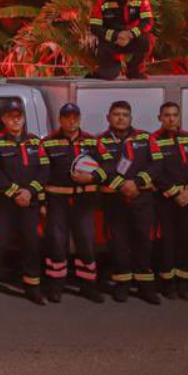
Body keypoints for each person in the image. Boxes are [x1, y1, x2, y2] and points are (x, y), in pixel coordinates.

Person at [0, 100, 49, 306]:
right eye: (10, 116)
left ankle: (32, 287)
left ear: (24, 118)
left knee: (31, 243)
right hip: (4, 204)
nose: (15, 119)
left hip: (29, 203)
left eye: (18, 115)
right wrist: (15, 193)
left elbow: (44, 171)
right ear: (3, 119)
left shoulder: (35, 142)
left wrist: (29, 192)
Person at [98, 100, 163, 304]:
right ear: (108, 117)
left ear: (130, 118)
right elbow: (103, 167)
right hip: (114, 200)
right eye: (116, 114)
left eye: (125, 114)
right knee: (118, 243)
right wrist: (122, 185)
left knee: (144, 241)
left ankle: (145, 286)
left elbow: (157, 163)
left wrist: (137, 183)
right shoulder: (99, 141)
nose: (120, 118)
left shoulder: (146, 137)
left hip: (141, 199)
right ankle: (122, 283)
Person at [41, 103, 106, 304]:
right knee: (57, 244)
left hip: (83, 202)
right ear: (60, 119)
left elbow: (108, 166)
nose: (72, 121)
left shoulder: (92, 142)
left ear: (79, 118)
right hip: (57, 202)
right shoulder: (48, 142)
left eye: (75, 117)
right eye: (67, 117)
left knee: (86, 243)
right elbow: (40, 174)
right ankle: (56, 285)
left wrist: (93, 177)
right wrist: (42, 202)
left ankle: (88, 286)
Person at [153, 102, 188, 301]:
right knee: (167, 242)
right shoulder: (153, 140)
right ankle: (168, 283)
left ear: (179, 117)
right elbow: (155, 171)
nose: (171, 119)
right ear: (160, 118)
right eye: (166, 115)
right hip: (166, 200)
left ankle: (184, 282)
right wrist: (175, 193)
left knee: (187, 241)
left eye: (174, 115)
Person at [89, 0, 155, 80]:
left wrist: (130, 34)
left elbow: (147, 22)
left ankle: (133, 69)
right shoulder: (102, 1)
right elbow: (95, 27)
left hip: (131, 38)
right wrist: (115, 36)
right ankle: (110, 68)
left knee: (147, 41)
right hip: (110, 41)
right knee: (107, 76)